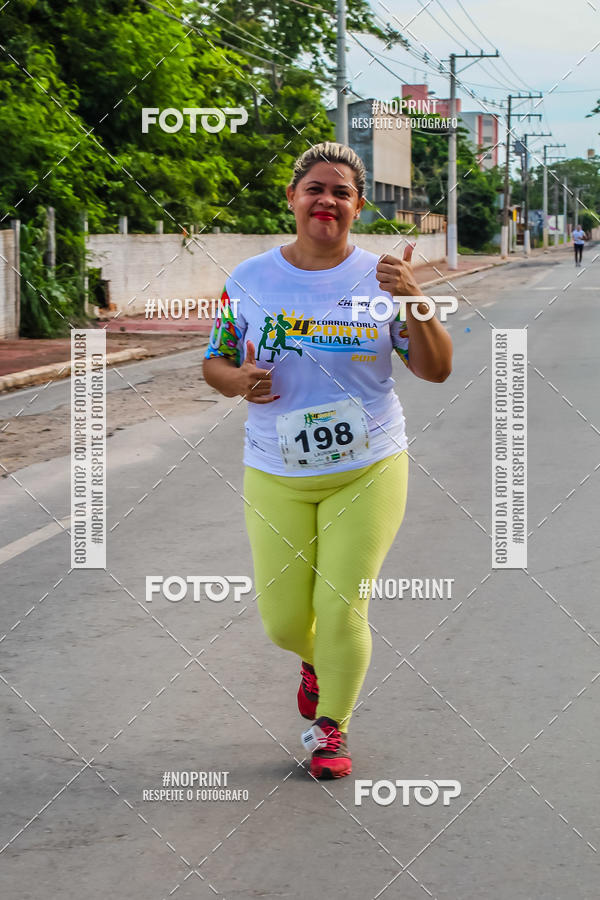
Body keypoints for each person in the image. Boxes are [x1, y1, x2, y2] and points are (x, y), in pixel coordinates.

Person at [202, 142, 453, 779]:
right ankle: (316, 661)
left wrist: (415, 298)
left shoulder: (383, 279)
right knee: (285, 622)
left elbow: (436, 370)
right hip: (276, 470)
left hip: (369, 467)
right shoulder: (249, 279)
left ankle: (331, 729)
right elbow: (215, 361)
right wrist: (238, 382)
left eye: (341, 192)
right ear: (292, 197)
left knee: (343, 606)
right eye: (315, 188)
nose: (327, 201)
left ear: (357, 206)